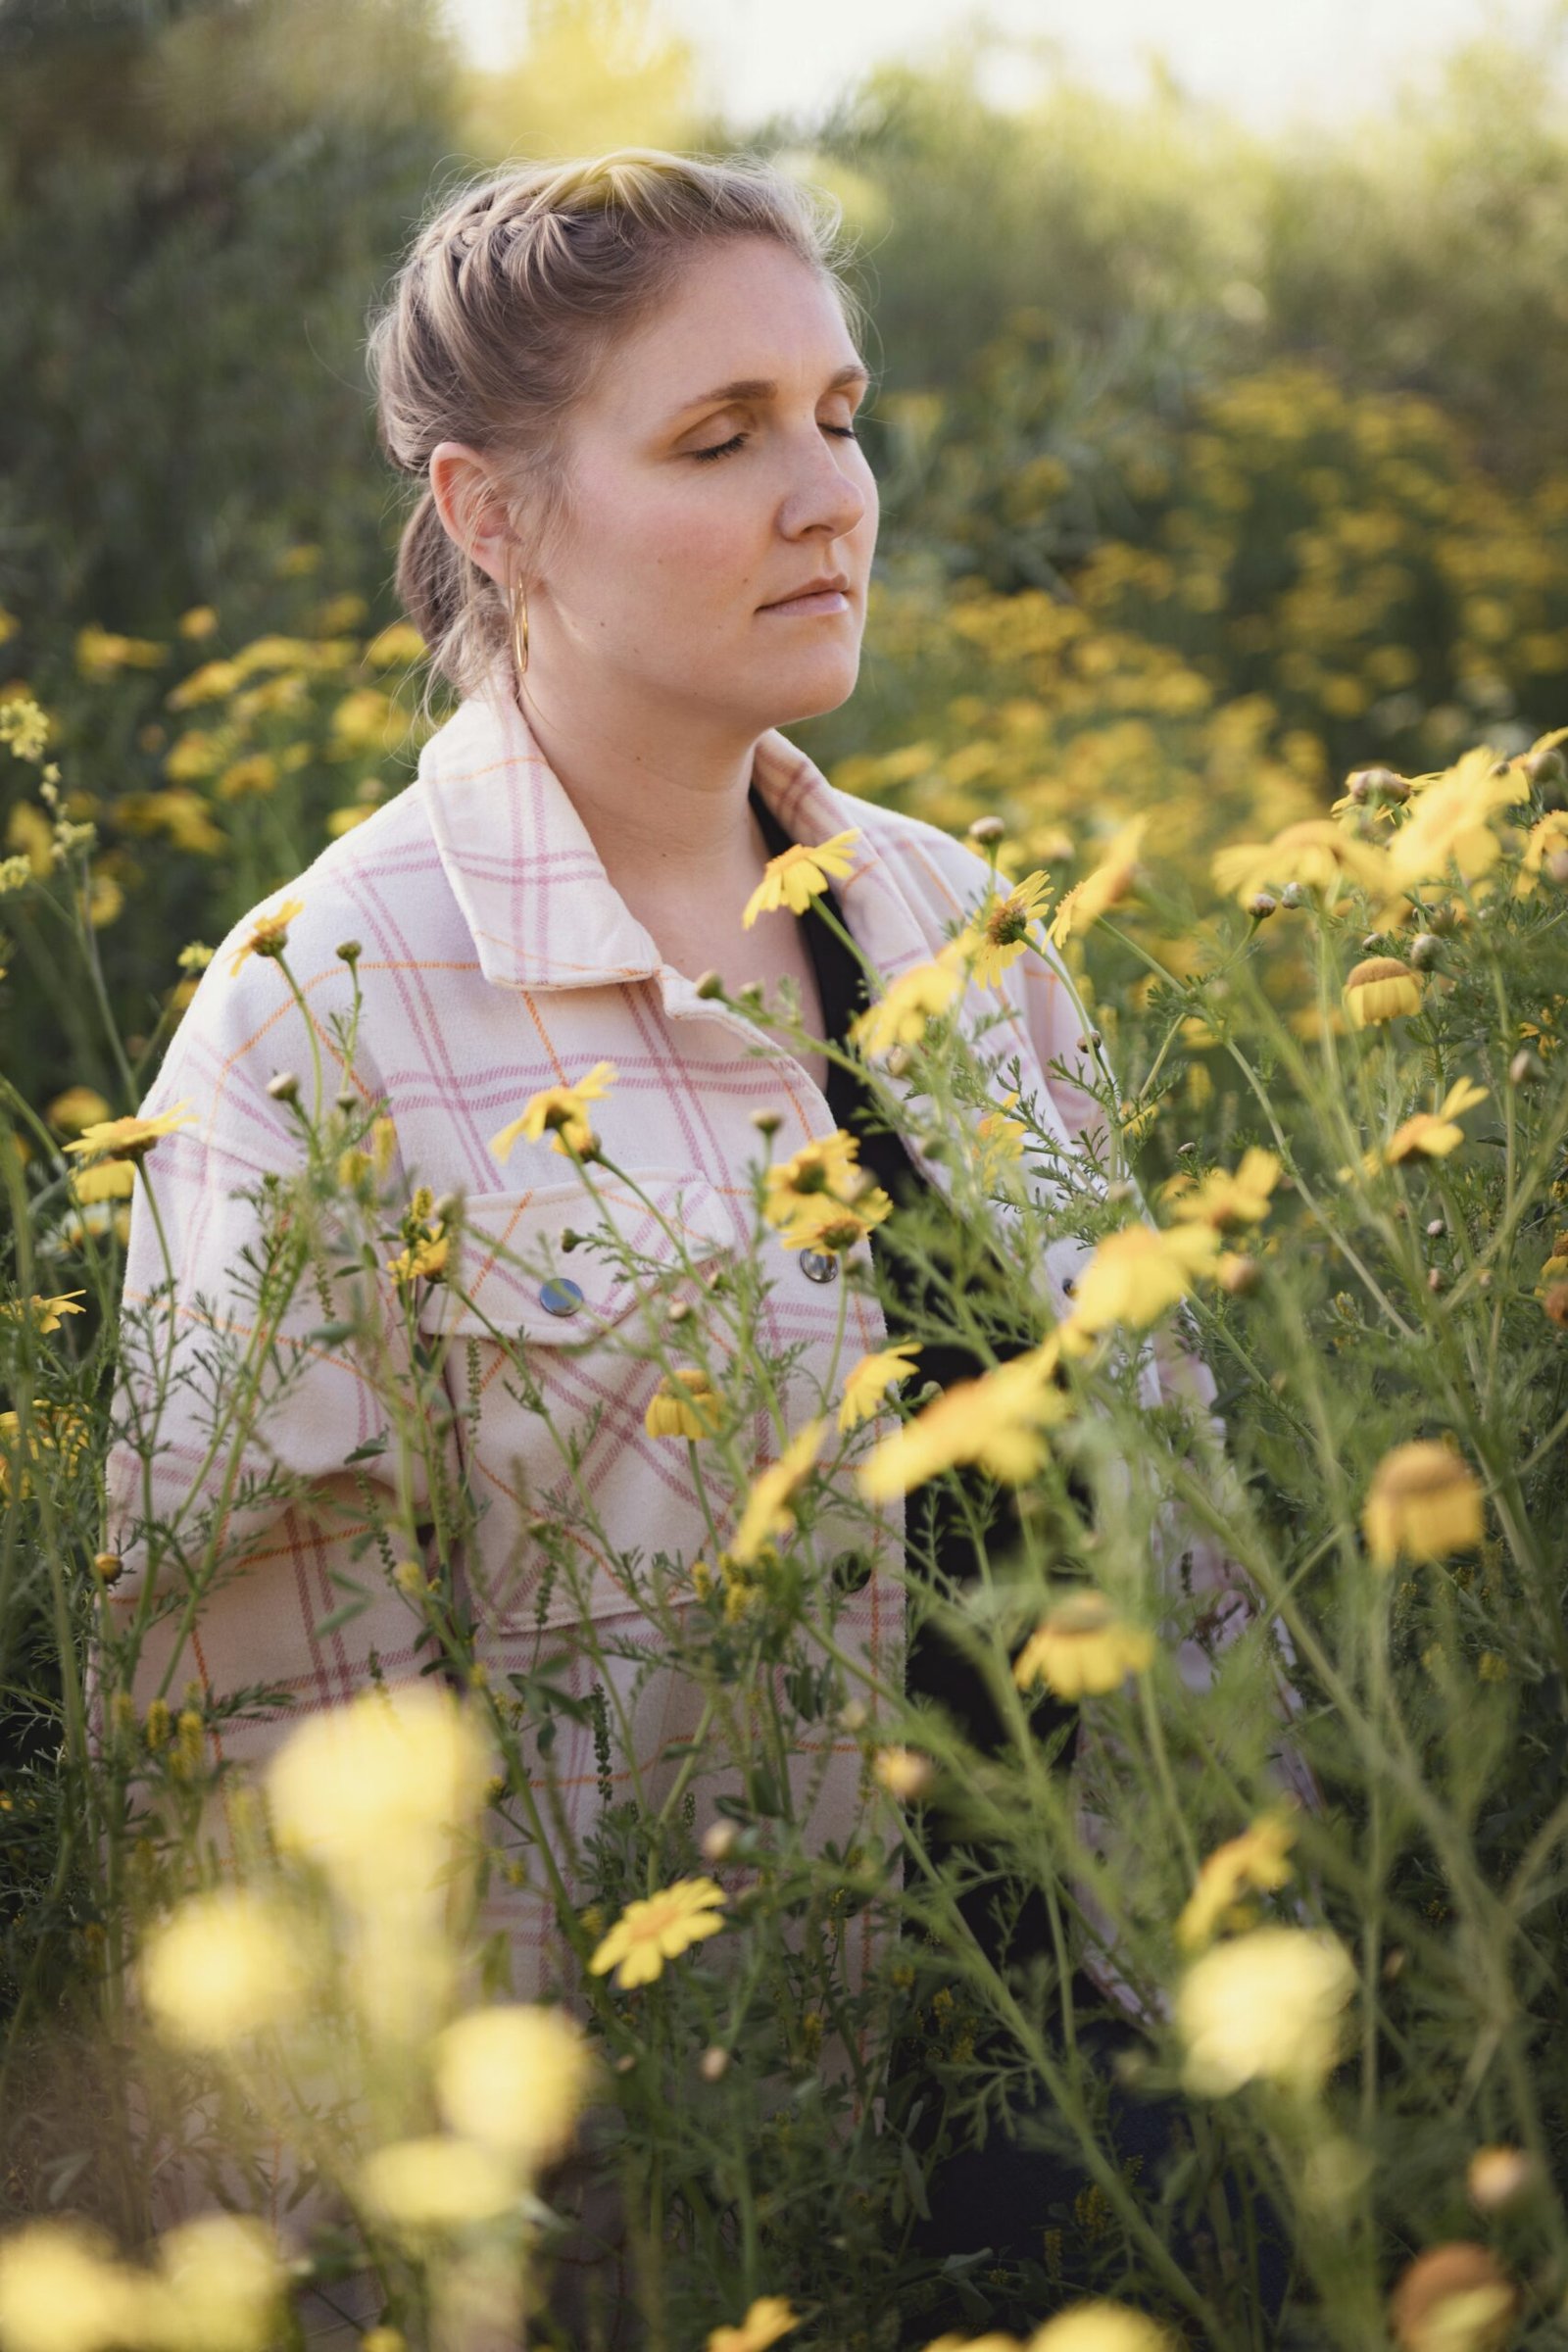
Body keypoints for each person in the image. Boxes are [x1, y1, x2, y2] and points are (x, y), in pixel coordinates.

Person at [101, 151, 1289, 2315]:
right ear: (490, 514)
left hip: (1119, 2124)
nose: (827, 496)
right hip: (682, 2210)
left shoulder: (955, 921)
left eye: (836, 416)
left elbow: (1175, 1513)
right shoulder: (317, 1012)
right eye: (717, 439)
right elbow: (264, 1760)